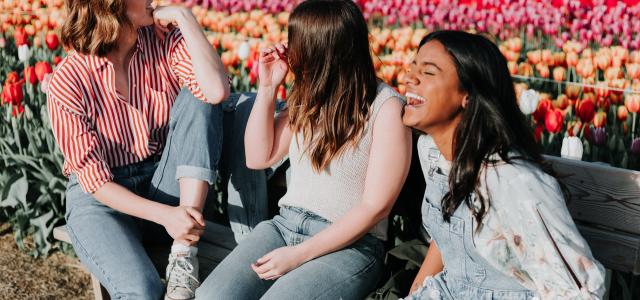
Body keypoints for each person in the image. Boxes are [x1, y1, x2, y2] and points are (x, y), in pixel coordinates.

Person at [196, 0, 412, 299]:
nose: (288, 48)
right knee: (211, 297)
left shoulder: (386, 107)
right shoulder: (309, 97)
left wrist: (298, 255)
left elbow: (376, 207)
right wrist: (269, 88)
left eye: (295, 40)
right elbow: (259, 158)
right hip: (284, 227)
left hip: (351, 244)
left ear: (321, 49)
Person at [401, 30, 606, 299]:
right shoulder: (431, 151)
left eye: (428, 72)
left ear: (469, 95)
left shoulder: (511, 180)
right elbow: (447, 240)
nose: (408, 78)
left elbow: (580, 292)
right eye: (412, 67)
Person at [47, 0, 230, 299]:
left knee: (199, 98)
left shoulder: (164, 42)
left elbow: (216, 91)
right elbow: (96, 183)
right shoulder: (69, 80)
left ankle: (184, 255)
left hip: (166, 185)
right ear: (111, 5)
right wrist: (167, 216)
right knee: (141, 291)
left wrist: (186, 18)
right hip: (104, 204)